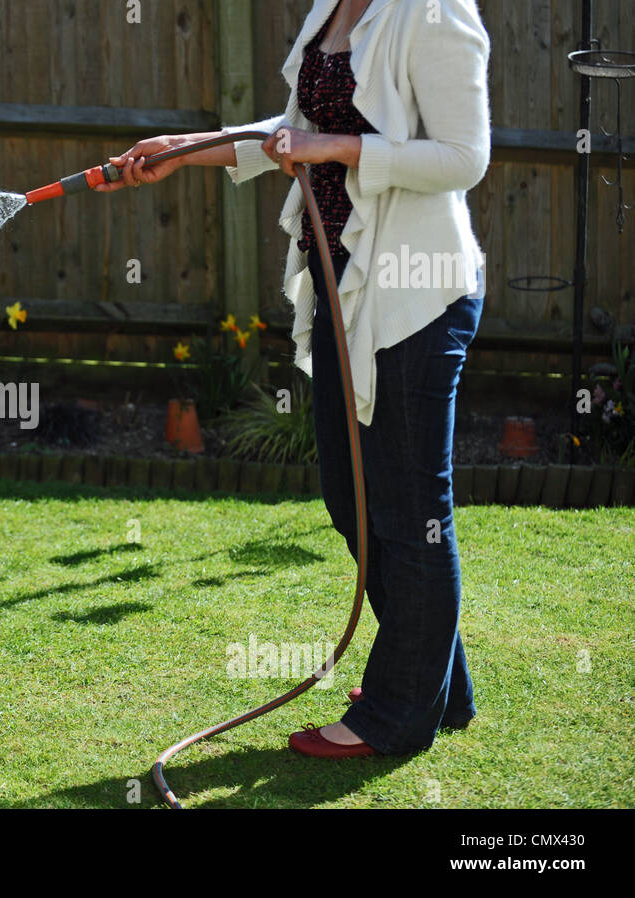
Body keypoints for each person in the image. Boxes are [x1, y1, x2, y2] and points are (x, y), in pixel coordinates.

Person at [96, 0, 491, 758]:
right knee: (353, 502)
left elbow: (463, 157)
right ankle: (439, 687)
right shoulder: (332, 8)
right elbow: (284, 136)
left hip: (414, 292)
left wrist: (336, 146)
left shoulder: (435, 12)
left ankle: (399, 715)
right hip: (341, 282)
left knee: (409, 512)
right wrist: (183, 149)